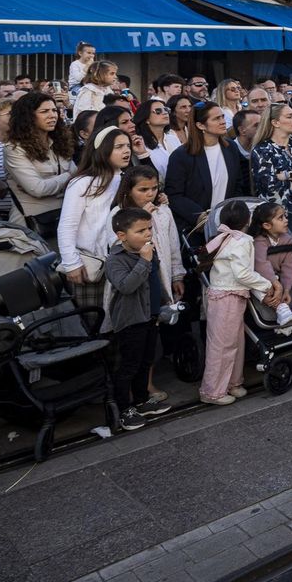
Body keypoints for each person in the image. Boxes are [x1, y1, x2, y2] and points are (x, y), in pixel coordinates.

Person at [113, 163, 182, 411]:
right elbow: (124, 276)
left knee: (149, 349)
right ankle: (126, 404)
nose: (149, 193)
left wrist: (176, 276)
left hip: (155, 292)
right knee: (132, 354)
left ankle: (144, 393)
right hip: (133, 303)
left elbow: (173, 245)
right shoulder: (121, 217)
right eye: (143, 189)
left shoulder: (162, 211)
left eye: (153, 188)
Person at [197, 199, 277, 405]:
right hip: (228, 296)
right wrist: (265, 284)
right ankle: (212, 391)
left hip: (224, 295)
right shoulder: (241, 241)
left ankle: (232, 382)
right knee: (223, 345)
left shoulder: (223, 238)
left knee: (234, 342)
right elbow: (243, 273)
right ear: (247, 220)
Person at [101, 207, 170, 431]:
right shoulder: (115, 260)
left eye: (149, 228)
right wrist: (144, 261)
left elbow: (155, 281)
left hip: (150, 315)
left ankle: (141, 402)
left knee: (145, 361)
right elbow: (126, 286)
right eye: (140, 231)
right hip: (130, 319)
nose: (148, 234)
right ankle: (124, 409)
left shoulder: (148, 251)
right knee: (129, 364)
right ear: (122, 236)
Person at [56, 126, 131, 321]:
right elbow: (67, 225)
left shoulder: (128, 179)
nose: (126, 151)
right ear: (103, 150)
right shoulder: (83, 183)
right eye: (119, 146)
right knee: (93, 323)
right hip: (92, 265)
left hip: (124, 263)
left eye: (127, 145)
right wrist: (71, 262)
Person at [164, 103, 248, 238]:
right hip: (195, 230)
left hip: (227, 227)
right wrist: (200, 217)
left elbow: (237, 183)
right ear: (200, 125)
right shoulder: (181, 156)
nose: (222, 122)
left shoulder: (230, 147)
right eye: (216, 119)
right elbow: (174, 195)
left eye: (222, 117)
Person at [4, 92, 78, 241]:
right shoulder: (14, 149)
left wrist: (68, 179)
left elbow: (79, 178)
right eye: (44, 111)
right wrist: (69, 177)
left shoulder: (60, 142)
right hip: (32, 223)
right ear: (28, 117)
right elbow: (37, 189)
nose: (52, 115)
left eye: (54, 110)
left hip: (65, 217)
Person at [250, 104, 292, 255]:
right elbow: (270, 186)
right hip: (277, 213)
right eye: (289, 117)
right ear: (275, 122)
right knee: (281, 258)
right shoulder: (262, 150)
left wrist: (288, 176)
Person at [137, 97, 175, 177]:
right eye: (158, 111)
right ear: (147, 119)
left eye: (166, 110)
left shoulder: (172, 137)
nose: (165, 113)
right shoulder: (140, 143)